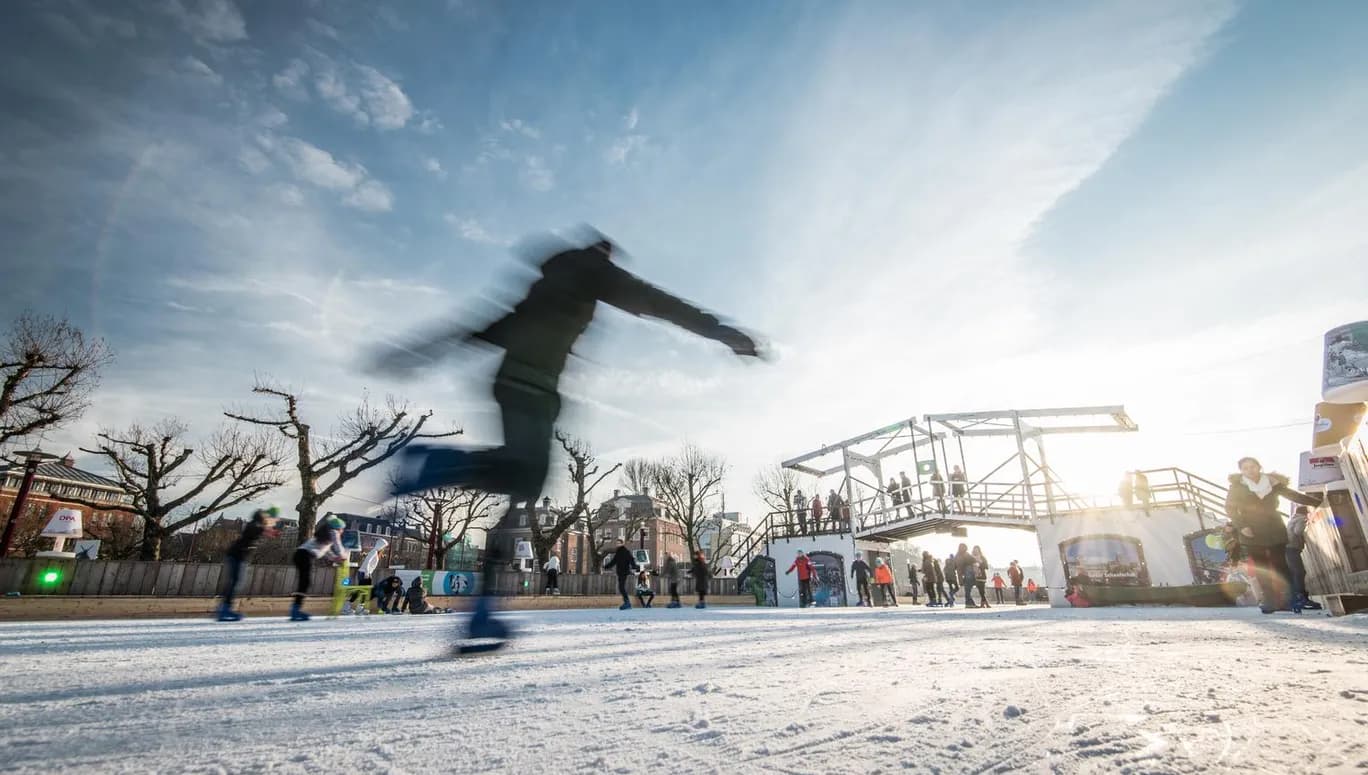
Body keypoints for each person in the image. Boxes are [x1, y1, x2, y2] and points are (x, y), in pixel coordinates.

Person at [378, 233, 763, 651]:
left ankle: (483, 612)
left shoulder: (540, 287)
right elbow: (660, 304)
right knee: (524, 479)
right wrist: (723, 332)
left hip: (509, 382)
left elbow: (488, 326)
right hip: (536, 389)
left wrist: (426, 350)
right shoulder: (594, 272)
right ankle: (437, 467)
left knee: (518, 486)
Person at [1225, 457, 1321, 613]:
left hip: (1274, 529)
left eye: (1252, 466)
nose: (1250, 470)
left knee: (1281, 566)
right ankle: (1270, 602)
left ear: (1259, 467)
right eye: (1245, 468)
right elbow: (1230, 509)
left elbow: (1292, 495)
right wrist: (1242, 526)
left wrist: (1317, 502)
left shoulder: (1272, 483)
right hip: (1251, 533)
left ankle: (1289, 600)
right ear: (1241, 471)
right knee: (1261, 568)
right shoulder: (1237, 487)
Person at [217, 506, 280, 621]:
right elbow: (257, 528)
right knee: (236, 583)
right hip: (237, 555)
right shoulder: (255, 524)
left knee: (235, 582)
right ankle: (224, 609)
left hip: (238, 556)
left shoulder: (257, 524)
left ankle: (224, 609)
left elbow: (261, 530)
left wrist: (269, 530)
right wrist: (267, 529)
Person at [290, 515, 346, 622]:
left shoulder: (324, 536)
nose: (342, 531)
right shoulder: (333, 532)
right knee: (305, 582)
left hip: (300, 554)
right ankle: (295, 610)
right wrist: (342, 555)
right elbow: (337, 545)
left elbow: (327, 553)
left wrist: (335, 558)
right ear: (338, 528)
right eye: (342, 528)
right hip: (305, 556)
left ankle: (295, 609)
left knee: (304, 582)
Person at [1285, 505, 1322, 611]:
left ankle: (1298, 598)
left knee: (1296, 572)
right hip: (1292, 548)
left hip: (1289, 548)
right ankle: (1301, 598)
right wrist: (1307, 524)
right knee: (1299, 572)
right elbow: (1298, 531)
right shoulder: (1301, 518)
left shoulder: (1293, 519)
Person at [604, 538, 640, 610]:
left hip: (624, 571)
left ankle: (627, 602)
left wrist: (635, 567)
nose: (617, 545)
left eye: (619, 543)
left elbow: (631, 559)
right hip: (620, 572)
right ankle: (627, 602)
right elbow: (613, 561)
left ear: (622, 544)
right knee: (621, 587)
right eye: (617, 543)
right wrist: (606, 566)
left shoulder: (626, 551)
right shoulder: (618, 552)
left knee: (621, 587)